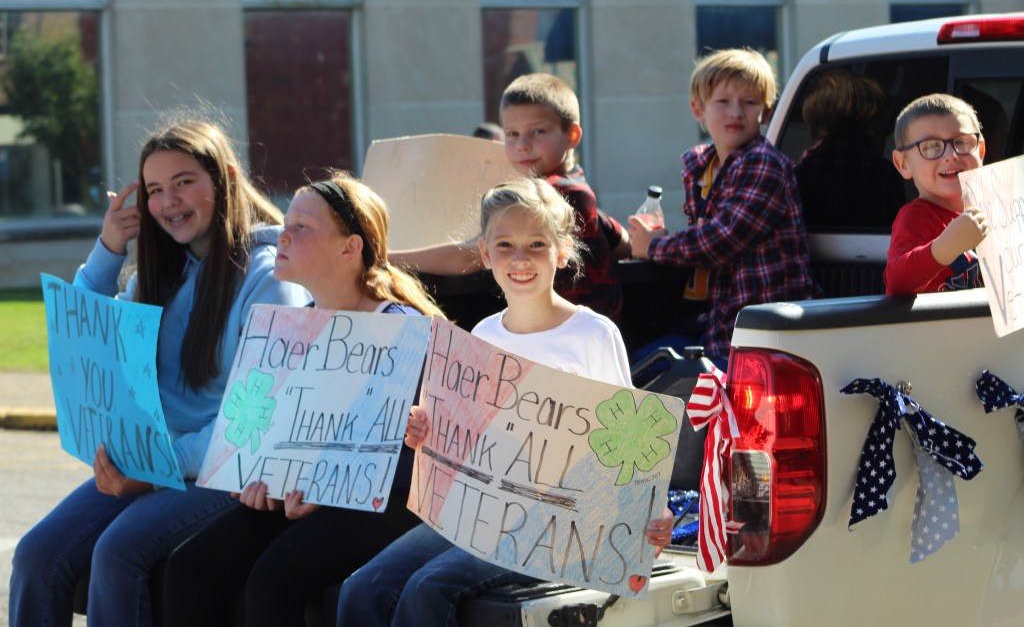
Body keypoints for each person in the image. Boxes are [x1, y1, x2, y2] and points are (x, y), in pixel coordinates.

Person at [8, 118, 311, 627]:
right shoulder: (162, 270)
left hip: (215, 469)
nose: (168, 202)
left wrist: (154, 472)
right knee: (37, 555)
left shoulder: (270, 279)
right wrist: (106, 254)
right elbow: (83, 341)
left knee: (117, 554)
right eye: (153, 190)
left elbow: (255, 423)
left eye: (184, 182)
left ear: (226, 179)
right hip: (148, 463)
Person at [336, 177, 672, 627]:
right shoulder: (483, 336)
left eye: (537, 243)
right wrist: (430, 434)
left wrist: (650, 509)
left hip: (557, 525)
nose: (520, 258)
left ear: (563, 250)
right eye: (506, 244)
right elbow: (469, 445)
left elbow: (632, 443)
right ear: (485, 252)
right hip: (480, 512)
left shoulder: (592, 334)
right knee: (361, 588)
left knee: (426, 589)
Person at [161, 170, 446, 626]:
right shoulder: (290, 330)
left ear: (350, 248)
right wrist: (259, 478)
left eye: (302, 228)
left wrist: (323, 490)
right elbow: (273, 437)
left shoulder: (402, 330)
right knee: (190, 567)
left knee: (274, 581)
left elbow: (406, 463)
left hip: (387, 505)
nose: (283, 235)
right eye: (286, 223)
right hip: (307, 495)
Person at [628, 48, 818, 366]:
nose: (736, 112)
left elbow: (722, 240)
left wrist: (655, 246)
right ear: (698, 110)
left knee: (657, 371)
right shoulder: (703, 166)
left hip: (758, 330)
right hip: (713, 320)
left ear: (766, 112)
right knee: (638, 364)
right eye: (723, 102)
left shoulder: (762, 163)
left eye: (749, 102)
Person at [392, 73, 631, 323]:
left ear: (572, 135)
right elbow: (623, 243)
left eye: (538, 131)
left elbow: (470, 254)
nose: (522, 145)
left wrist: (390, 258)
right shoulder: (579, 187)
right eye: (512, 134)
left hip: (564, 335)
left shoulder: (555, 196)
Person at [884, 94, 988, 295]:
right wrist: (944, 248)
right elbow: (897, 282)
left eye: (963, 142)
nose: (951, 156)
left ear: (981, 151)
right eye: (931, 147)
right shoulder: (915, 218)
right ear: (903, 164)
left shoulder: (995, 210)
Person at [793, 69, 907, 232]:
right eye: (883, 125)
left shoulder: (795, 173)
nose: (887, 135)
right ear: (868, 128)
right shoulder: (884, 175)